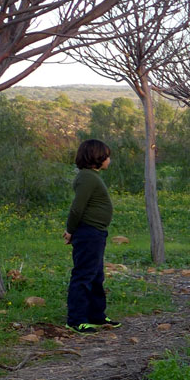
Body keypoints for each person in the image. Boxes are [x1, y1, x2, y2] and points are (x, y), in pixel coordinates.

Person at [63, 139, 118, 334]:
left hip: (96, 232)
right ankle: (76, 319)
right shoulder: (87, 177)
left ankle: (96, 315)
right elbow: (77, 208)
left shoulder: (91, 176)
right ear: (97, 157)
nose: (109, 159)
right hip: (88, 232)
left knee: (96, 275)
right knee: (84, 274)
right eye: (107, 155)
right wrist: (70, 230)